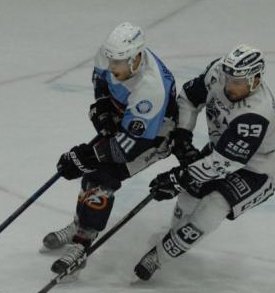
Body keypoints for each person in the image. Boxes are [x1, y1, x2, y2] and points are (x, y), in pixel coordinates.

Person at [136, 44, 275, 280]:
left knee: (214, 205)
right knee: (190, 194)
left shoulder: (256, 114)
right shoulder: (218, 73)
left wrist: (178, 178)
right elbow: (189, 98)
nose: (230, 86)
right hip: (225, 147)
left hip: (261, 166)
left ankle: (160, 255)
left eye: (238, 82)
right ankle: (174, 234)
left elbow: (224, 163)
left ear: (256, 80)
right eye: (229, 78)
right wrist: (182, 135)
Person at [45, 22, 177, 277]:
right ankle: (80, 225)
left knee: (102, 175)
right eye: (111, 60)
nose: (112, 66)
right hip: (124, 117)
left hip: (154, 136)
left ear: (137, 58)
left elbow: (128, 148)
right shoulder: (110, 55)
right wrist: (103, 107)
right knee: (92, 169)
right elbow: (101, 80)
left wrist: (86, 155)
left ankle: (81, 246)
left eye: (119, 63)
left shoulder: (151, 90)